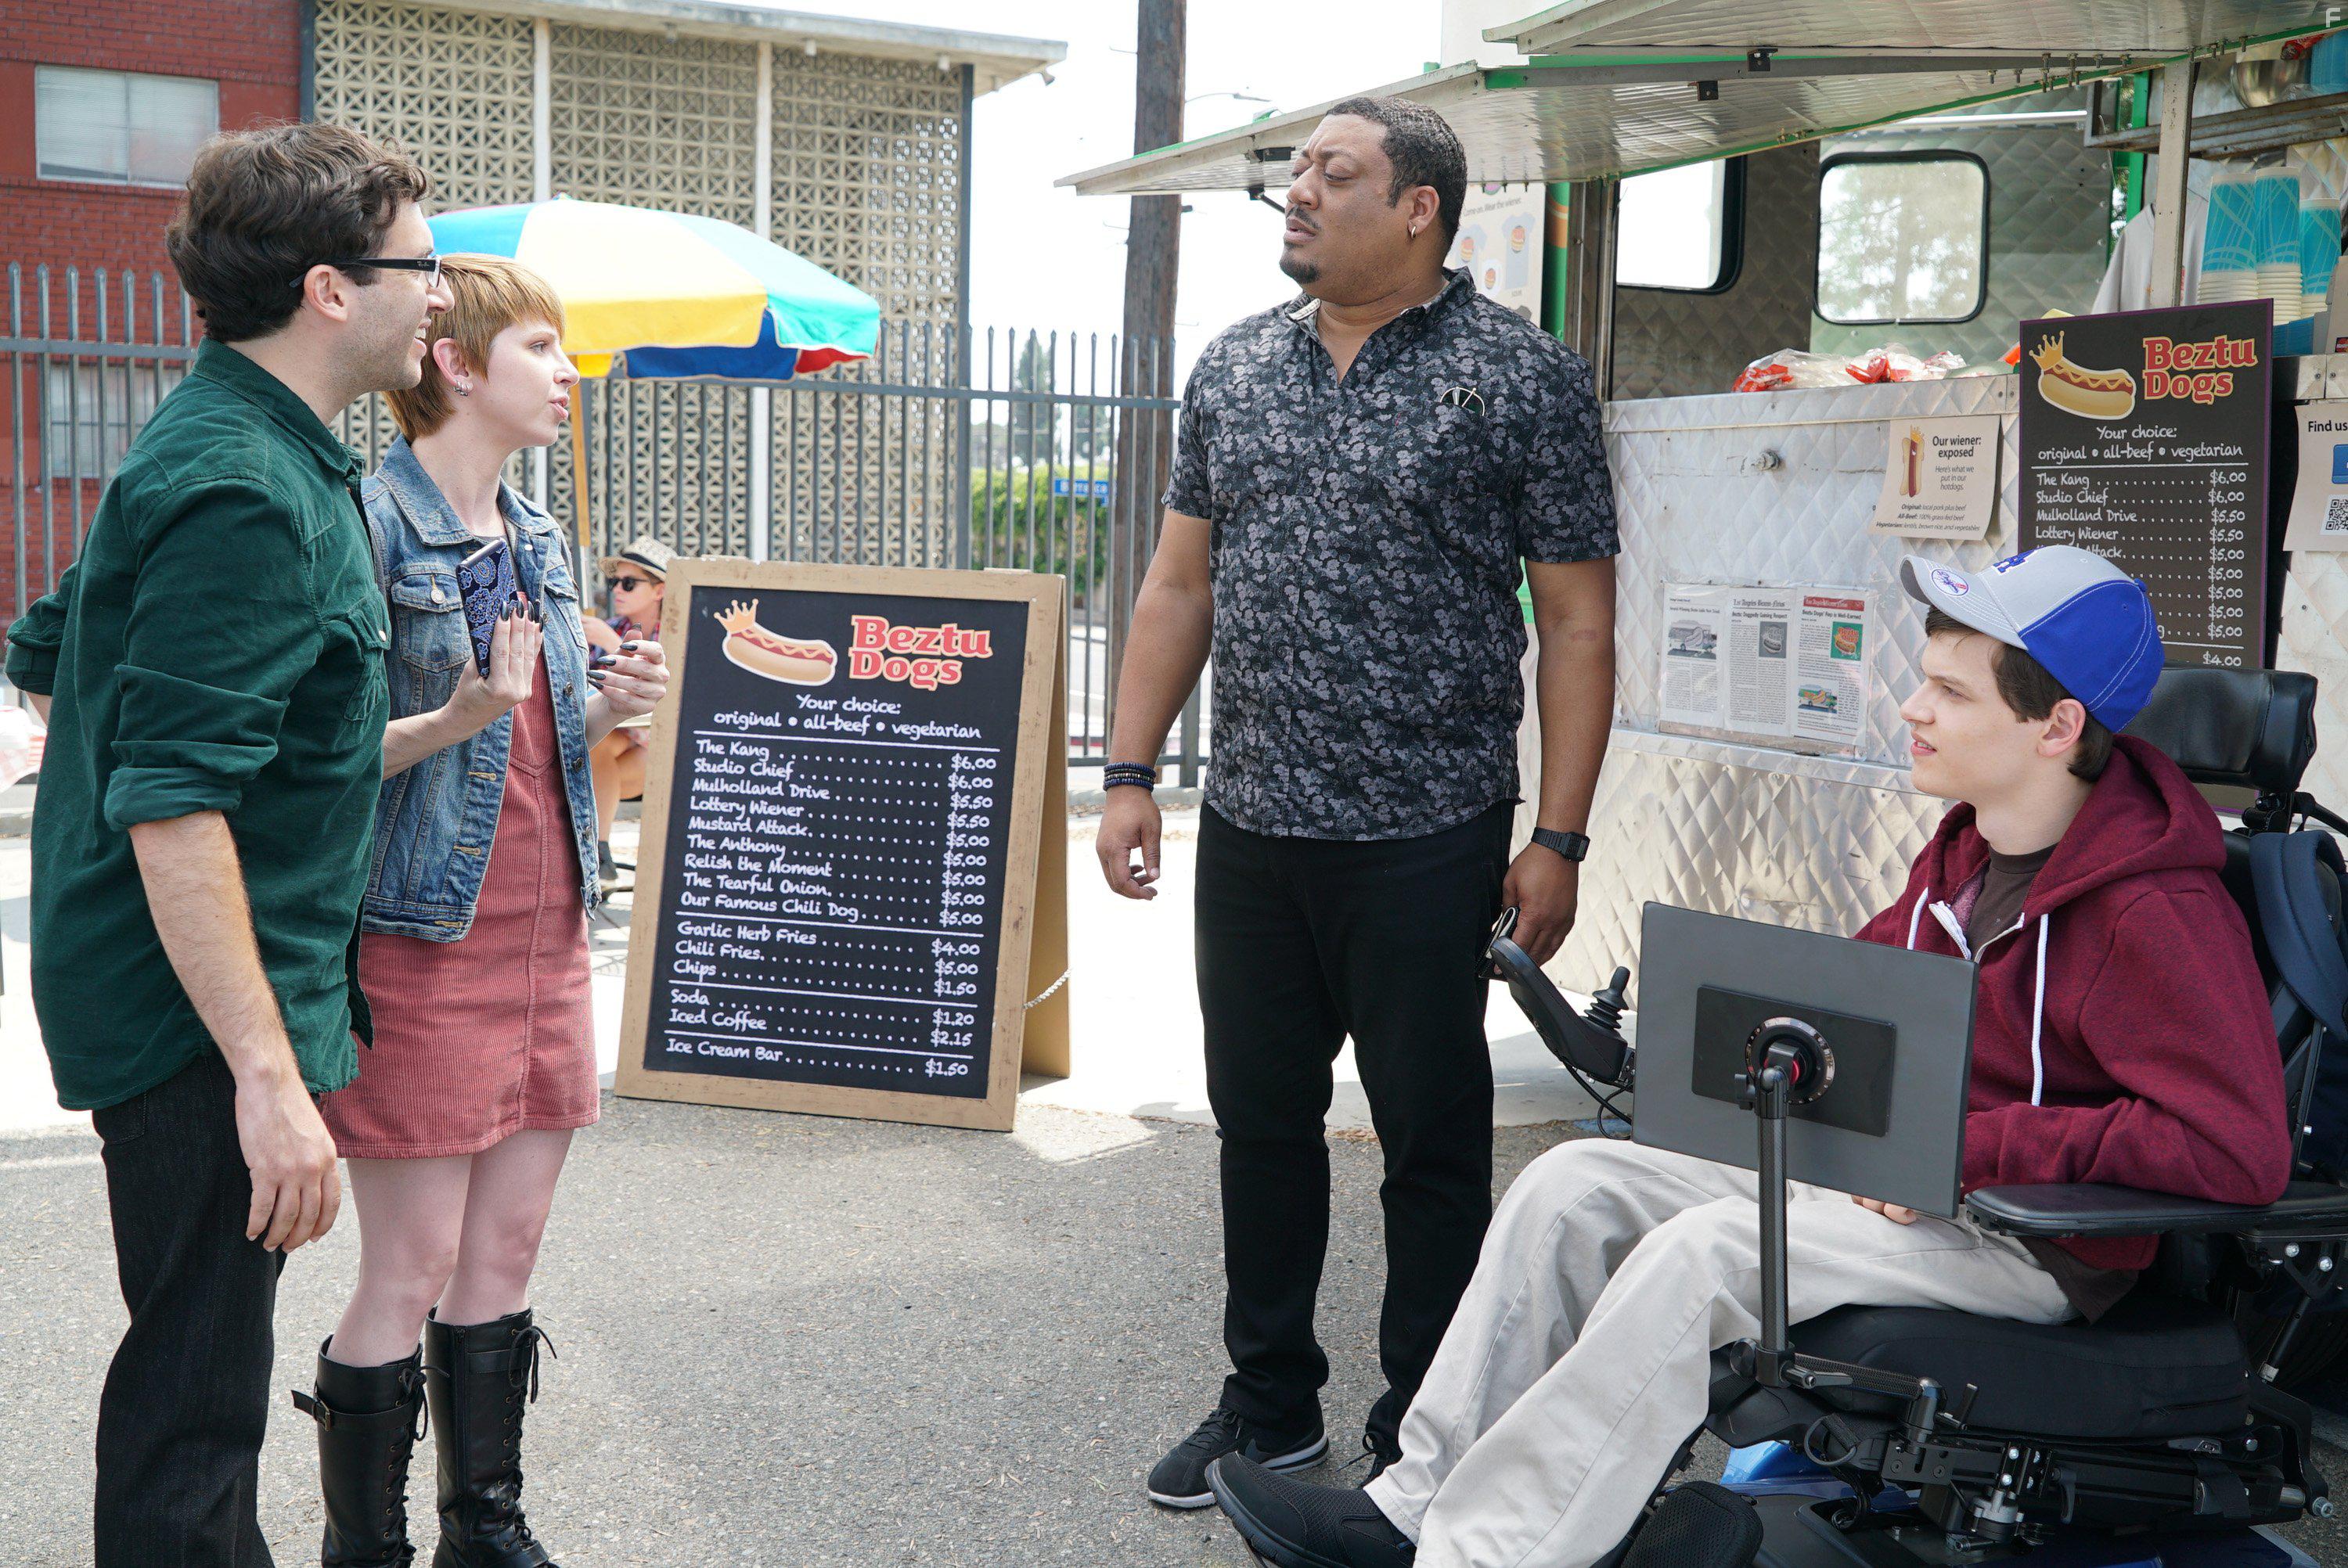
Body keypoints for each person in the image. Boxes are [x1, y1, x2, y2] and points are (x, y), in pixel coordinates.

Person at [1205, 546, 2295, 1568]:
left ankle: (1485, 1555)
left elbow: (2236, 1149)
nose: (1912, 708)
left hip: (2023, 1243)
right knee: (1573, 1183)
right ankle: (1413, 1505)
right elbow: (1870, 1005)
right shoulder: (1970, 848)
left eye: (1954, 695)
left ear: (2057, 726)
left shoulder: (2156, 910)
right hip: (1908, 1185)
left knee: (1711, 1255)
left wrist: (1967, 1150)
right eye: (1925, 681)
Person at [1093, 95, 1619, 1504]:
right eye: (1296, 173)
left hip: (1429, 827)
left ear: (1420, 208)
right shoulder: (1237, 369)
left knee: (1431, 1138)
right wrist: (1132, 772)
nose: (1299, 194)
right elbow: (1177, 583)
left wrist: (1556, 835)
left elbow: (1576, 625)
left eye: (1337, 173)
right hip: (1255, 821)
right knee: (1258, 1121)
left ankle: (1425, 1426)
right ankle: (1267, 1400)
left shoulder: (1522, 375)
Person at [1, 123, 446, 1567]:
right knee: (196, 1402)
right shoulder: (244, 486)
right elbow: (175, 797)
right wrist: (264, 1076)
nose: (441, 295)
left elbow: (50, 645)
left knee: (205, 1376)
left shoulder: (238, 445)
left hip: (214, 979)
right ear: (331, 287)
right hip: (194, 1007)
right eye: (422, 267)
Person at [294, 255, 671, 1568]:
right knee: (412, 1259)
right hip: (420, 937)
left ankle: (485, 1527)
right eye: (543, 349)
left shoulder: (544, 537)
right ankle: (368, 1545)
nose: (569, 374)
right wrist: (456, 715)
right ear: (458, 363)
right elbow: (318, 757)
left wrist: (610, 705)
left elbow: (541, 732)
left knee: (504, 1243)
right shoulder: (367, 522)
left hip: (546, 926)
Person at [582, 535, 672, 886]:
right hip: (622, 746)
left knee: (596, 757)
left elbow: (672, 697)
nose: (617, 590)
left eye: (629, 582)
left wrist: (611, 645)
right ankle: (600, 854)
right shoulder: (614, 627)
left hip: (663, 754)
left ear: (660, 590)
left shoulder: (678, 633)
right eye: (614, 581)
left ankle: (596, 858)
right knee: (593, 748)